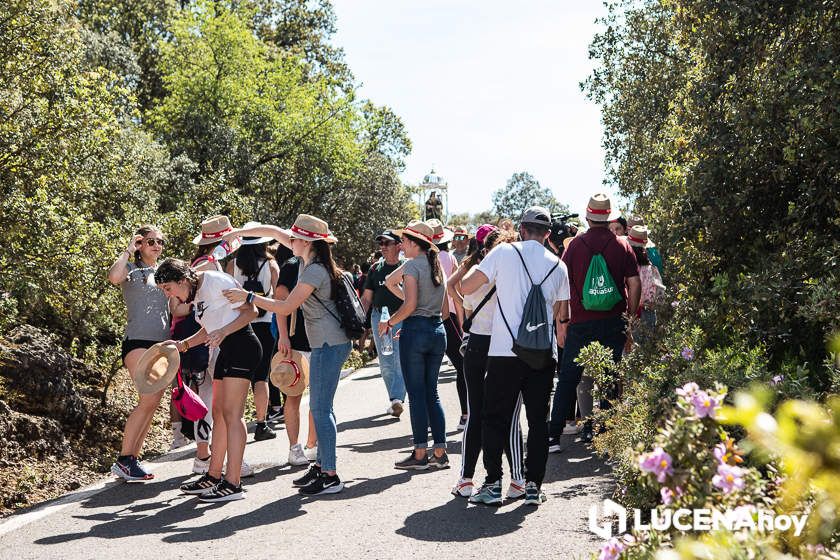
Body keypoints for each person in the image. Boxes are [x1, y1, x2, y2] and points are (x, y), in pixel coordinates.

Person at [223, 215, 352, 496]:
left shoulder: (315, 271)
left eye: (293, 238)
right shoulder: (308, 258)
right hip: (324, 344)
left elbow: (285, 307)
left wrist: (248, 297)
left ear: (305, 241)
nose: (287, 241)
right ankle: (322, 466)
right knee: (319, 406)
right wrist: (237, 231)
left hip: (330, 345)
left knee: (320, 408)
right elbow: (272, 230)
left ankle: (330, 473)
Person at [461, 207, 570, 506]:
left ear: (522, 229)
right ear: (548, 234)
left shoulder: (504, 253)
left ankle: (493, 484)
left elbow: (465, 286)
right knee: (537, 421)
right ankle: (533, 486)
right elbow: (563, 316)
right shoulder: (559, 266)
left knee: (494, 418)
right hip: (541, 355)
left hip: (503, 352)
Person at [156, 258, 260, 502]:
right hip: (226, 349)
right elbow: (208, 328)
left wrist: (224, 332)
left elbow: (251, 311)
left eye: (168, 288)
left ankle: (233, 483)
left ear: (183, 280)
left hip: (243, 346)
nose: (168, 296)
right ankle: (213, 476)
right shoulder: (198, 292)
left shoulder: (214, 282)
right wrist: (181, 345)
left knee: (233, 415)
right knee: (219, 413)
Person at [549, 194, 641, 447]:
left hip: (580, 323)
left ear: (588, 216)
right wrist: (629, 318)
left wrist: (562, 322)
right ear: (608, 216)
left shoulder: (575, 246)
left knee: (569, 378)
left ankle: (553, 435)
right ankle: (608, 435)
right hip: (613, 321)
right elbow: (634, 284)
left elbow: (562, 285)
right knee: (610, 377)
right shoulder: (623, 246)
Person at [446, 225, 526, 499]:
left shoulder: (476, 275)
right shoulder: (517, 276)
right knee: (508, 416)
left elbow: (461, 298)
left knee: (476, 414)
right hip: (506, 347)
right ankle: (517, 478)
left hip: (478, 343)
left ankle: (466, 479)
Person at [381, 220, 449, 470]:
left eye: (404, 241)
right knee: (432, 393)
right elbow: (444, 312)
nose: (401, 246)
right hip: (436, 331)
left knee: (417, 396)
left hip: (417, 330)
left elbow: (408, 305)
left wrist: (390, 321)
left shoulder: (411, 266)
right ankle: (440, 451)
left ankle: (420, 452)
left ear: (413, 243)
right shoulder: (437, 266)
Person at [107, 226, 171, 481]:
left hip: (162, 344)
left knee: (153, 402)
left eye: (160, 241)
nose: (156, 245)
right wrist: (128, 249)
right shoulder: (131, 271)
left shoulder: (165, 271)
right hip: (137, 342)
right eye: (150, 241)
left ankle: (131, 458)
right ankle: (124, 460)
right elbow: (113, 277)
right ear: (140, 244)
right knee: (148, 399)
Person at [227, 223, 280, 442]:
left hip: (240, 324)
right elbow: (279, 299)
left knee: (240, 376)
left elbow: (226, 296)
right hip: (265, 324)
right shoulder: (271, 265)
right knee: (261, 377)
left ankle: (234, 422)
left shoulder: (232, 265)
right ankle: (261, 423)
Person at [275, 252, 319, 466]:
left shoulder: (322, 264)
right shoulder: (291, 265)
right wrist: (283, 335)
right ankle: (294, 448)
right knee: (293, 396)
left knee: (319, 399)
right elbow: (279, 301)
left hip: (321, 341)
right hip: (296, 341)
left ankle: (313, 444)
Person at [427, 219, 468, 429]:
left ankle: (427, 417)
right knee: (462, 366)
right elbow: (455, 290)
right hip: (449, 316)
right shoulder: (449, 257)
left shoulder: (423, 259)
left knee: (428, 372)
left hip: (426, 318)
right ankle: (465, 413)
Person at [360, 230, 406, 417]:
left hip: (402, 317)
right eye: (381, 244)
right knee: (386, 361)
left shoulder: (407, 267)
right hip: (380, 319)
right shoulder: (374, 269)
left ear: (398, 246)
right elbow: (366, 299)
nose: (383, 247)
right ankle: (394, 399)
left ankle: (397, 399)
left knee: (399, 359)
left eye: (387, 243)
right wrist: (359, 319)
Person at [627, 225, 665, 332]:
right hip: (648, 312)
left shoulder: (626, 267)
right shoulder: (651, 269)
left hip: (629, 312)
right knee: (646, 345)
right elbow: (660, 295)